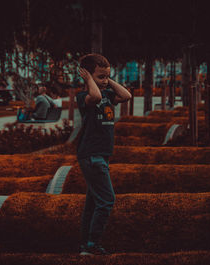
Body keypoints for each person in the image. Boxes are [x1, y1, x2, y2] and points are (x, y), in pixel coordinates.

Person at [76, 53, 132, 256]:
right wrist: (91, 80)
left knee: (93, 203)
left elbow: (127, 96)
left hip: (101, 156)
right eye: (100, 77)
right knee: (107, 200)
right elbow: (96, 97)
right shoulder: (84, 97)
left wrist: (107, 79)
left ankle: (85, 244)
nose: (105, 81)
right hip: (91, 156)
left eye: (107, 76)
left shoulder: (108, 94)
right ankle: (92, 244)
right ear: (87, 76)